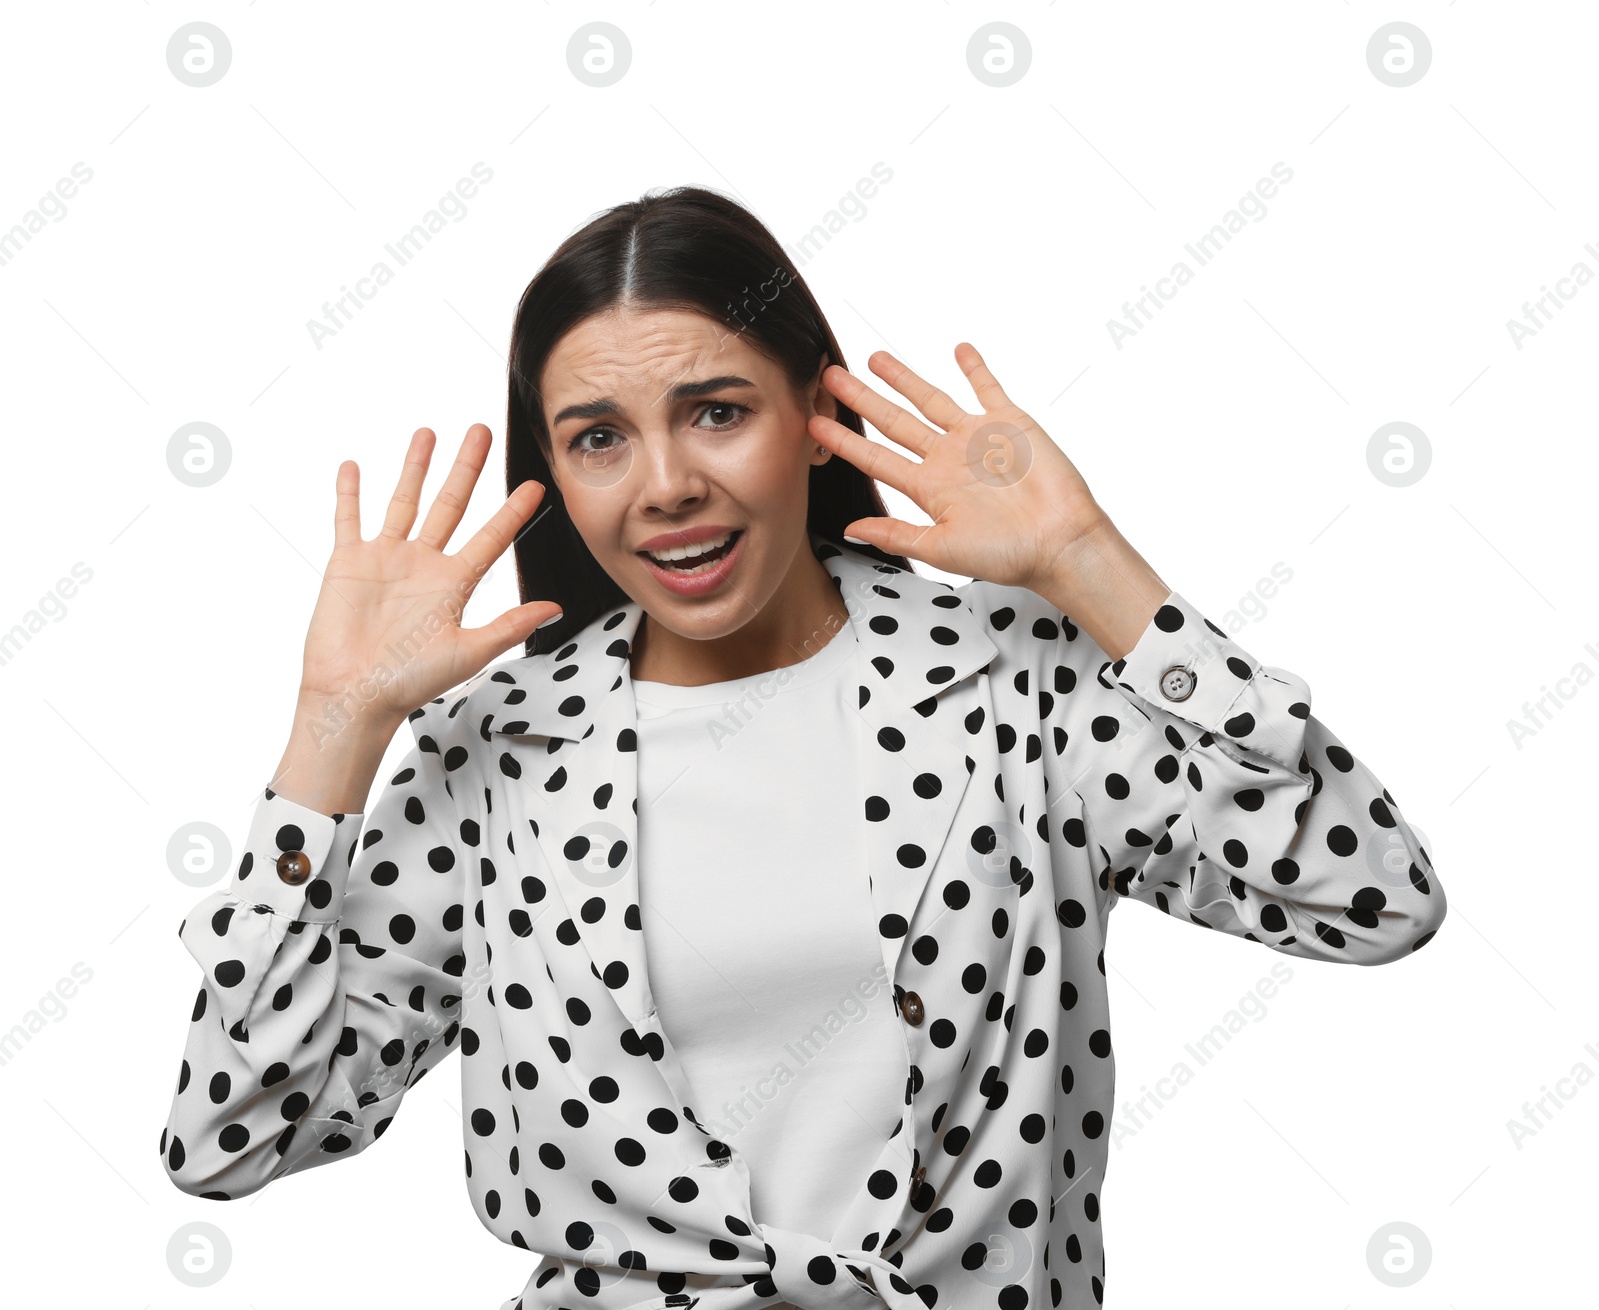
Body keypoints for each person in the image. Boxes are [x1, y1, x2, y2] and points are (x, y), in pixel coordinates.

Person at [160, 186, 1446, 1310]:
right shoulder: (500, 747)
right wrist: (335, 723)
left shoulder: (1012, 678)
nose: (664, 483)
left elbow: (1373, 896)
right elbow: (229, 1132)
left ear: (811, 412)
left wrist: (1090, 565)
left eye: (715, 410)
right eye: (599, 436)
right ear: (555, 468)